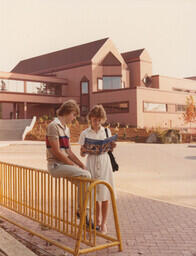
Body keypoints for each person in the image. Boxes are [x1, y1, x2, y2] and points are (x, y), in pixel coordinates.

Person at [46, 99, 91, 217]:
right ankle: (82, 211)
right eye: (74, 115)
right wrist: (73, 165)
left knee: (85, 180)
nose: (74, 118)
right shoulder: (53, 126)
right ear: (68, 111)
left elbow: (69, 152)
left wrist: (81, 165)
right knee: (86, 176)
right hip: (55, 166)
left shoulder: (66, 129)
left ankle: (82, 212)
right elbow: (56, 152)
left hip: (64, 165)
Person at [79, 105, 116, 234]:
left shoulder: (106, 131)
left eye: (99, 120)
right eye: (94, 120)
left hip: (104, 162)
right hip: (91, 163)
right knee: (94, 194)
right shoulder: (85, 133)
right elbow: (82, 154)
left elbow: (110, 148)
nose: (97, 122)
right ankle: (97, 220)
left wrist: (112, 146)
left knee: (105, 193)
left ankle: (104, 224)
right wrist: (84, 150)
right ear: (90, 119)